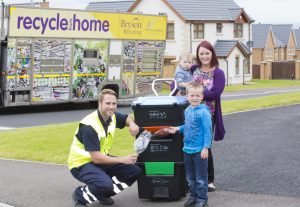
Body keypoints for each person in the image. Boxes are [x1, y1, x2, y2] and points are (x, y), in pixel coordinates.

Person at [68, 89, 141, 207]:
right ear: (99, 103)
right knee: (105, 184)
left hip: (100, 160)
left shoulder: (112, 116)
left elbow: (126, 118)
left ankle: (103, 193)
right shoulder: (89, 126)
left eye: (114, 104)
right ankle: (80, 195)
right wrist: (123, 159)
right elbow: (96, 158)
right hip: (81, 164)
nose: (111, 107)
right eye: (108, 103)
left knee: (133, 171)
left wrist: (132, 124)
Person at [190, 40, 226, 192]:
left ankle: (209, 180)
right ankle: (191, 179)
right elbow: (181, 84)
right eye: (201, 53)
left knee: (205, 145)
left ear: (212, 54)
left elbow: (215, 94)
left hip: (207, 114)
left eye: (207, 53)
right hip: (190, 113)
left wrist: (195, 94)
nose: (204, 56)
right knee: (190, 145)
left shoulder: (218, 73)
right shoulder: (193, 69)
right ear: (198, 55)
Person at [169, 82, 212, 207]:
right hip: (187, 150)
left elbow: (208, 131)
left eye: (197, 95)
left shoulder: (204, 112)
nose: (194, 98)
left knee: (200, 178)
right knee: (190, 178)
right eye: (192, 95)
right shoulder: (187, 110)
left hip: (199, 151)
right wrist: (177, 129)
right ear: (187, 96)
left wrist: (206, 148)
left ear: (202, 97)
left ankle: (202, 199)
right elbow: (188, 126)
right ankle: (193, 197)